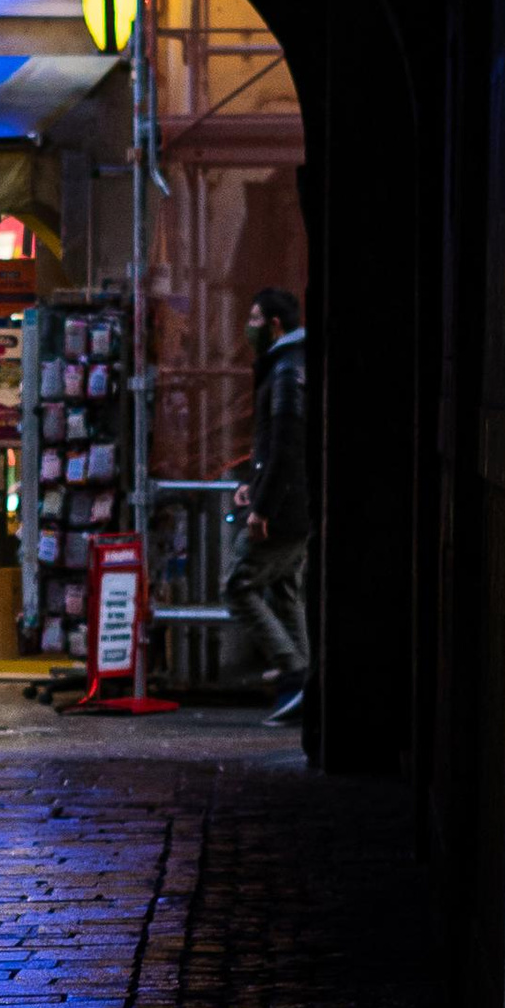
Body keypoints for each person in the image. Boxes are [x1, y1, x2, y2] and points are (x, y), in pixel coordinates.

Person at [227, 284, 310, 722]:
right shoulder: (290, 365)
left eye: (255, 319)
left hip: (285, 509)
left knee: (238, 585)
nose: (250, 326)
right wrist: (253, 488)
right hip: (295, 504)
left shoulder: (284, 372)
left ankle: (295, 674)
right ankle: (304, 683)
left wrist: (263, 506)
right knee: (283, 589)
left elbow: (286, 443)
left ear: (275, 325)